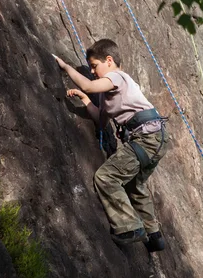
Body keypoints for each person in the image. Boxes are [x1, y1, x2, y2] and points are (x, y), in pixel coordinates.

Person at [53, 39, 169, 252]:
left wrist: (66, 67)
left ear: (109, 60)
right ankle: (154, 236)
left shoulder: (117, 77)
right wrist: (85, 100)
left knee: (106, 178)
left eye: (94, 65)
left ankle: (130, 228)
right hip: (155, 139)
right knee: (134, 185)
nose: (93, 71)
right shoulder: (110, 96)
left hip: (145, 139)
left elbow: (88, 84)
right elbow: (101, 119)